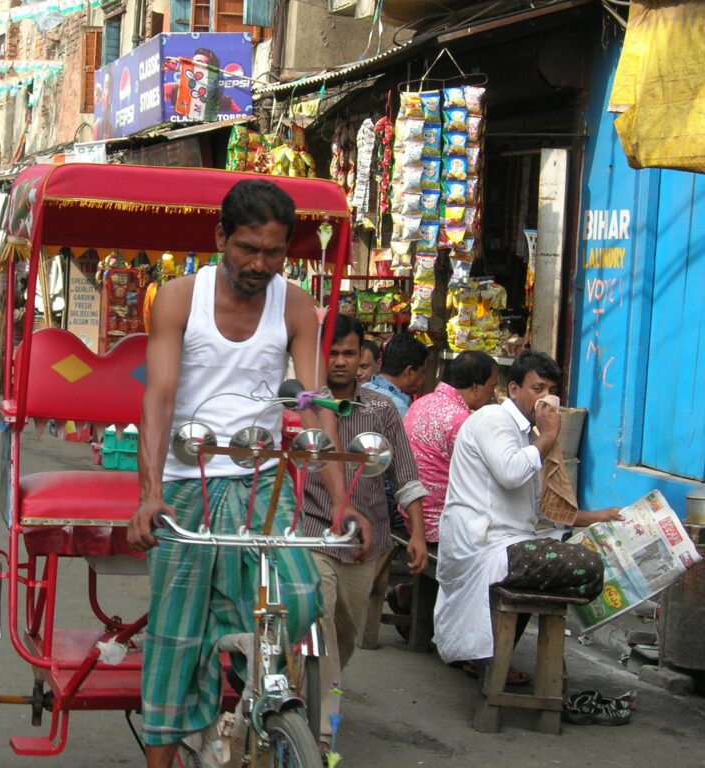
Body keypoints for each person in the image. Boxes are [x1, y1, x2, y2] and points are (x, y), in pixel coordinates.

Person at [127, 180, 371, 767]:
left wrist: (342, 501)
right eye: (247, 248)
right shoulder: (179, 298)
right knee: (174, 633)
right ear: (220, 238)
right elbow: (157, 398)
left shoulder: (293, 304)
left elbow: (315, 405)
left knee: (301, 597)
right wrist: (149, 493)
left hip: (262, 481)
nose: (259, 264)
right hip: (190, 481)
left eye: (274, 252)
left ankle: (223, 663)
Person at [433, 351, 621, 676]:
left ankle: (492, 660)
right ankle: (493, 662)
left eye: (550, 390)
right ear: (514, 389)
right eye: (537, 389)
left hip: (507, 543)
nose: (545, 398)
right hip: (483, 546)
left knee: (573, 558)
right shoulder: (495, 419)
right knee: (587, 565)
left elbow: (541, 508)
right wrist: (548, 436)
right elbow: (510, 472)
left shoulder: (524, 434)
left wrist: (598, 518)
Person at [301, 313, 429, 750]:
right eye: (331, 352)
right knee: (317, 620)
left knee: (344, 635)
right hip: (309, 532)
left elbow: (406, 475)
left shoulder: (381, 410)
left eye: (348, 353)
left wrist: (415, 533)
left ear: (363, 359)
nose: (339, 361)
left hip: (362, 543)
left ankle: (315, 697)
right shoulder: (299, 406)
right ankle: (319, 734)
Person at [403, 351, 498, 545]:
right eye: (492, 387)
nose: (493, 394)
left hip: (411, 518)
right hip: (440, 526)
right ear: (476, 387)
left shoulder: (420, 403)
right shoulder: (462, 421)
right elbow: (486, 478)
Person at [361, 332, 429, 419]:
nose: (424, 379)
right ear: (409, 372)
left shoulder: (361, 390)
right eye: (422, 372)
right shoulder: (399, 408)